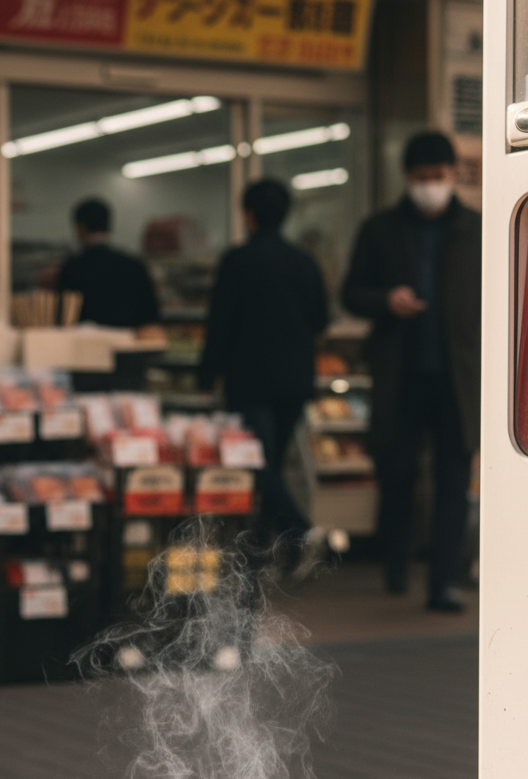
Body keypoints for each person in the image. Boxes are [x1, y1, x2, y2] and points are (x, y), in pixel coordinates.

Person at [342, 132, 481, 612]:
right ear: (407, 177)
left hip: (458, 379)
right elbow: (350, 292)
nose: (430, 187)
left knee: (453, 480)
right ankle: (396, 564)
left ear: (451, 175)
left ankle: (443, 582)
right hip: (400, 374)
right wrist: (386, 301)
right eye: (422, 179)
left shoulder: (477, 229)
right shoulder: (379, 229)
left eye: (438, 178)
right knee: (397, 474)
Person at [199, 178, 329, 546]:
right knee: (268, 465)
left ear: (249, 215)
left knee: (257, 467)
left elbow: (220, 324)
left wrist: (207, 376)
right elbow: (320, 320)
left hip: (250, 381)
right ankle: (273, 550)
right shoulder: (305, 264)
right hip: (295, 382)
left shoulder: (238, 261)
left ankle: (299, 536)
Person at [56, 198, 161, 330]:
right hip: (130, 345)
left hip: (87, 346)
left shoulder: (72, 268)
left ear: (80, 227)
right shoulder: (134, 265)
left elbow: (63, 315)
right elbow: (151, 314)